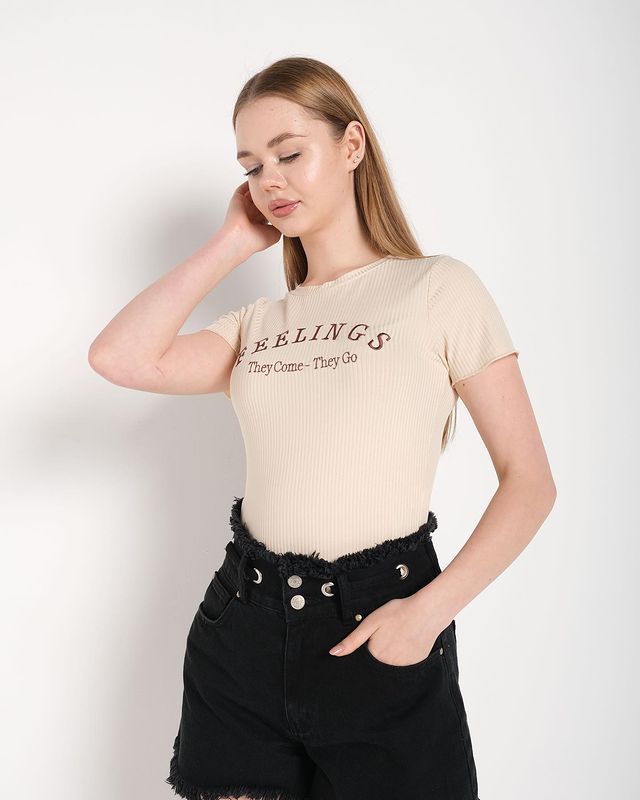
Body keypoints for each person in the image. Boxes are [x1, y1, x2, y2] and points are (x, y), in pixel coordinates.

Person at [88, 56, 556, 800]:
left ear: (351, 145)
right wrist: (233, 242)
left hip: (380, 625)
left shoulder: (437, 288)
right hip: (243, 630)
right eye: (250, 166)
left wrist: (428, 614)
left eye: (289, 153)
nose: (268, 180)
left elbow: (529, 482)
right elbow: (119, 358)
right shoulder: (256, 323)